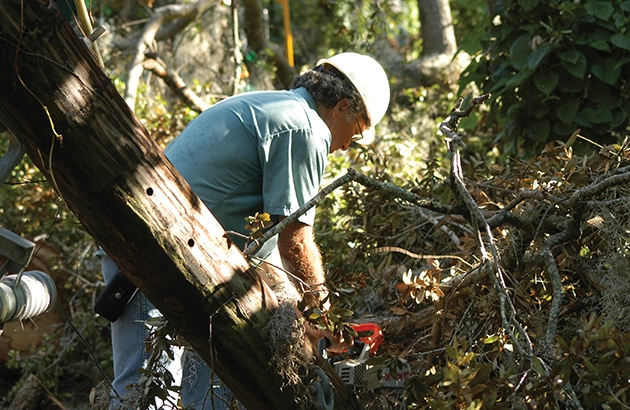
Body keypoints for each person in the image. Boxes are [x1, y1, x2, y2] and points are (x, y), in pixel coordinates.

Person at [99, 51, 390, 409]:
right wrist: (322, 317)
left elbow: (265, 250)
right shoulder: (305, 128)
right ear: (341, 106)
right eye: (355, 134)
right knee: (145, 395)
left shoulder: (272, 107)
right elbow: (295, 240)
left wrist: (296, 309)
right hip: (156, 248)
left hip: (184, 255)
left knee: (209, 392)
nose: (346, 146)